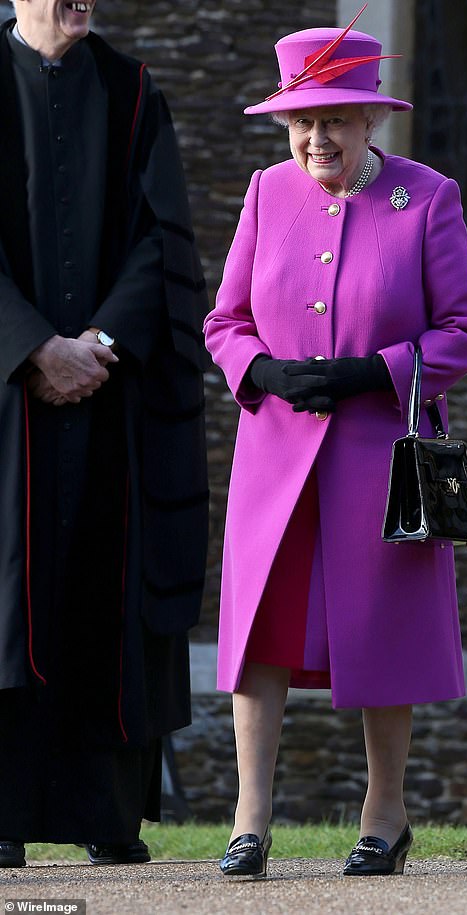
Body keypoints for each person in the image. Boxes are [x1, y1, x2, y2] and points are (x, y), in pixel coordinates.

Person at [204, 6, 467, 878]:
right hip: (275, 453)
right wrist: (259, 372)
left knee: (385, 628)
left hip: (381, 455)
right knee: (261, 630)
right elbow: (226, 319)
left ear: (369, 116)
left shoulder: (426, 196)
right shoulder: (264, 192)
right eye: (301, 121)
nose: (316, 137)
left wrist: (380, 371)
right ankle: (251, 816)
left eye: (333, 118)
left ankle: (386, 812)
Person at [0, 0, 209, 867]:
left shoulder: (134, 92)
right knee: (7, 601)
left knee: (105, 589)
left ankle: (106, 814)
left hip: (110, 399)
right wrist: (30, 347)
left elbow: (162, 243)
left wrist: (101, 347)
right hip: (6, 402)